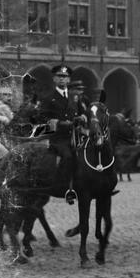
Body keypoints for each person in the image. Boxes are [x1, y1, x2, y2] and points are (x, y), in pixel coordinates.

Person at [37, 64, 83, 203]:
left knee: (92, 151)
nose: (62, 79)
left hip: (76, 135)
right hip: (59, 138)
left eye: (65, 77)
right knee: (68, 156)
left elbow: (82, 111)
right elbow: (42, 118)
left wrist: (84, 117)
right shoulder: (48, 97)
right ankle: (66, 189)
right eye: (59, 77)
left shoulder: (75, 96)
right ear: (54, 79)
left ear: (69, 80)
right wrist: (57, 122)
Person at [0, 84, 15, 158]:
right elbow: (12, 121)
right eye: (5, 95)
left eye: (10, 95)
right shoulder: (3, 106)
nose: (9, 98)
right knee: (7, 157)